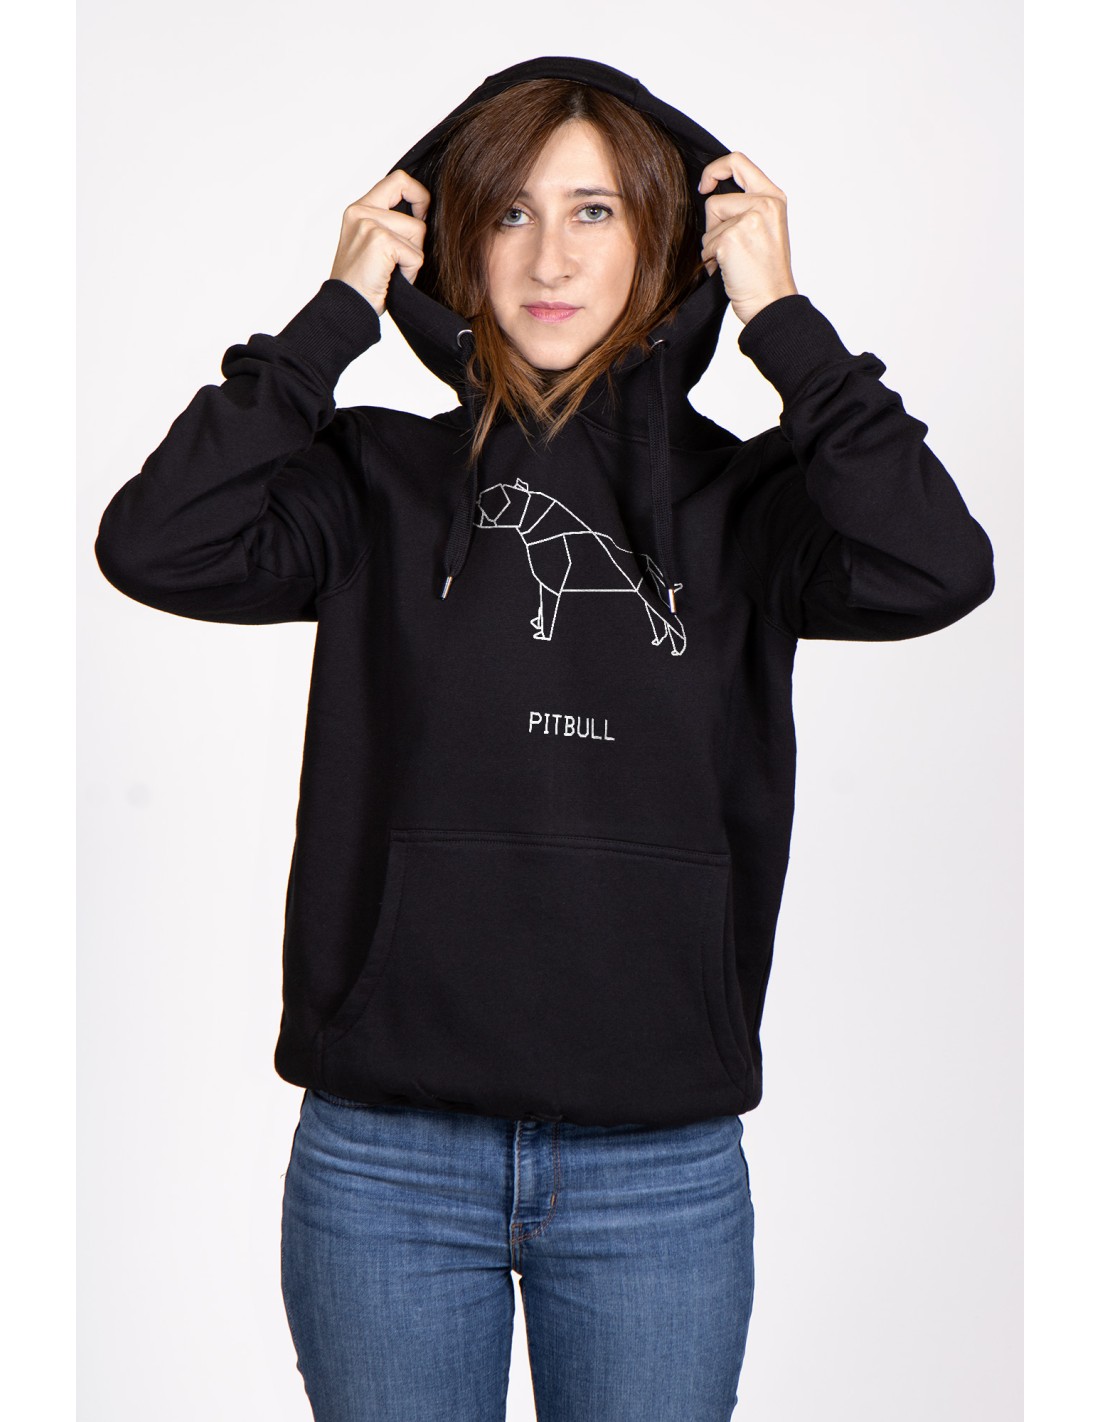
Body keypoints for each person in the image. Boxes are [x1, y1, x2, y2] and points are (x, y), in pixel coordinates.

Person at [93, 54, 995, 1422]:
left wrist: (783, 319)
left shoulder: (752, 506)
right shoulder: (376, 481)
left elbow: (939, 565)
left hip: (658, 1173)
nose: (549, 257)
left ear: (667, 240)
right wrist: (336, 313)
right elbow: (154, 542)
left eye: (593, 211)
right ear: (454, 242)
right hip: (386, 1165)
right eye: (508, 212)